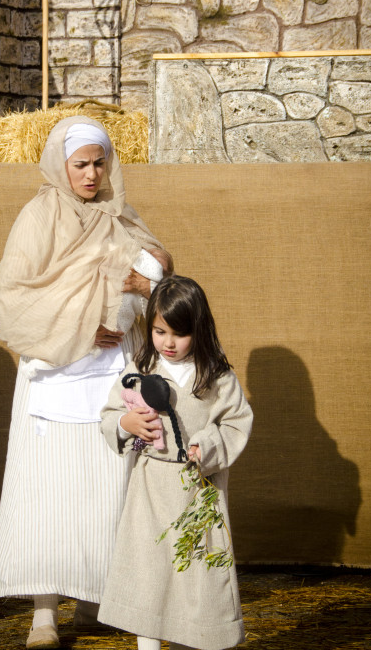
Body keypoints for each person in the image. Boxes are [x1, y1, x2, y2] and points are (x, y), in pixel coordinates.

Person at [0, 116, 172, 650]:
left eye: (99, 163)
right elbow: (14, 295)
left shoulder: (121, 217)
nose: (91, 175)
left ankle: (96, 597)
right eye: (81, 164)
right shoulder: (38, 214)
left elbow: (159, 275)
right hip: (56, 372)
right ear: (60, 164)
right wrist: (76, 324)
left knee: (104, 489)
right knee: (48, 493)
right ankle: (42, 615)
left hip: (109, 379)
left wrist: (146, 281)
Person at [98, 275, 253, 650]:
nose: (168, 343)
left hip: (196, 495)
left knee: (195, 578)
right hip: (150, 491)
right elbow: (110, 412)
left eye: (179, 334)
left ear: (198, 331)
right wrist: (126, 423)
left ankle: (194, 640)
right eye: (159, 331)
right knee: (149, 574)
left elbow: (236, 421)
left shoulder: (216, 377)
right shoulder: (140, 368)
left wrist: (207, 445)